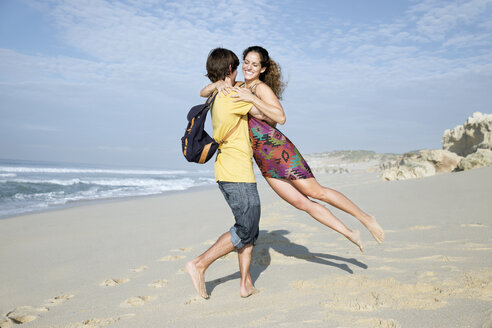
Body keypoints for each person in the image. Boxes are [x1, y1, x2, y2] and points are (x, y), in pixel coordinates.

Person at [200, 46, 384, 252]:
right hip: (264, 161)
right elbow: (202, 92)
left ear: (262, 68)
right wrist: (217, 84)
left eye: (255, 64)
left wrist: (252, 98)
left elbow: (281, 117)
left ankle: (366, 218)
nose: (249, 67)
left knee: (317, 192)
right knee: (301, 203)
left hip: (280, 152)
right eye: (246, 62)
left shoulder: (260, 89)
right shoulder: (240, 85)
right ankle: (350, 233)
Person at [186, 48, 261, 299]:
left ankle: (245, 283)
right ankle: (199, 264)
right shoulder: (232, 97)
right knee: (245, 228)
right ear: (230, 70)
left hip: (231, 170)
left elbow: (203, 90)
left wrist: (216, 85)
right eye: (238, 67)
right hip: (236, 172)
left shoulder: (220, 94)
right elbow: (270, 116)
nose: (241, 71)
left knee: (250, 230)